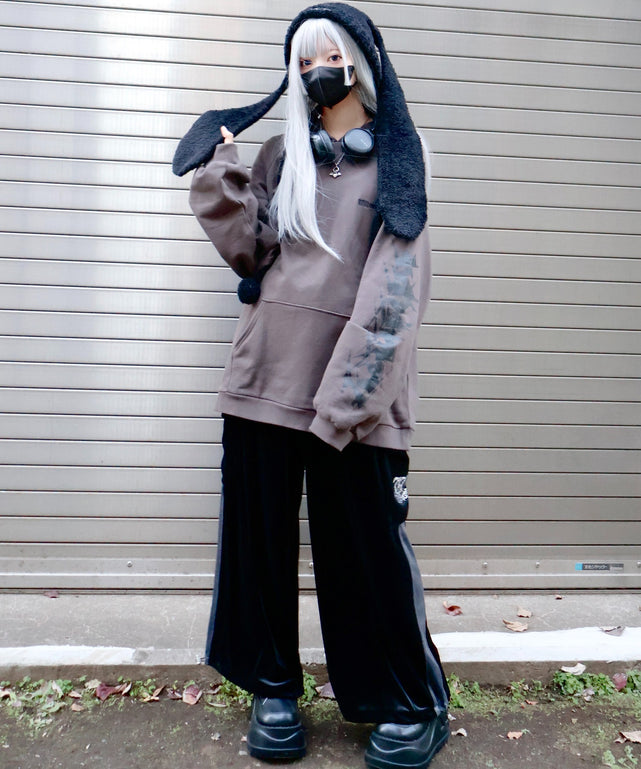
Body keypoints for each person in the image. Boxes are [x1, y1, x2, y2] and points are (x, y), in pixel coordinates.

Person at [173, 4, 450, 767]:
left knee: (365, 551)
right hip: (262, 381)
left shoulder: (399, 157)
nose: (314, 73)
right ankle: (272, 688)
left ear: (360, 60)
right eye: (300, 63)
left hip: (352, 400)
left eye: (325, 56)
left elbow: (395, 293)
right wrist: (222, 167)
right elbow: (252, 251)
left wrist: (347, 402)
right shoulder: (282, 155)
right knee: (257, 547)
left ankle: (408, 701)